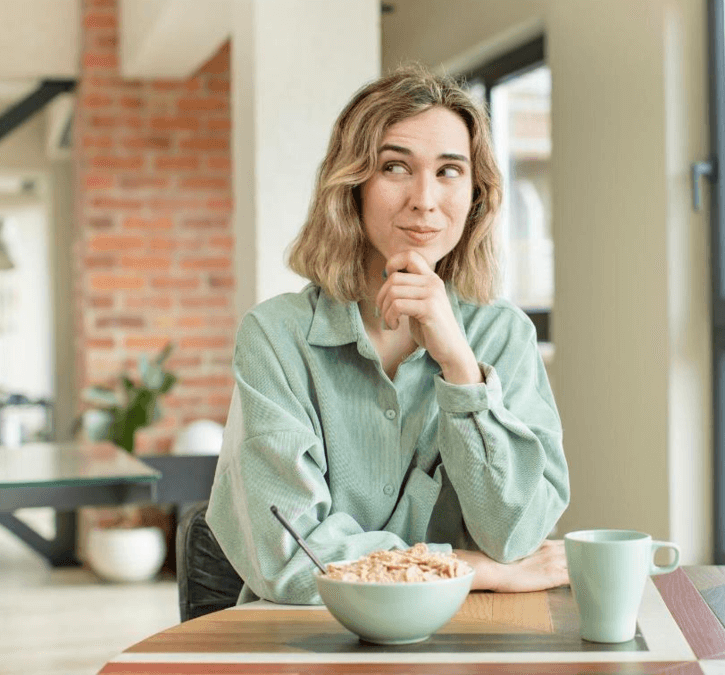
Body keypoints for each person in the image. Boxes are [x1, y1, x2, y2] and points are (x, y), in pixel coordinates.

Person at [205, 65, 570, 605]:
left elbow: (517, 535)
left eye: (449, 171)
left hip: (468, 643)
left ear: (475, 195)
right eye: (396, 167)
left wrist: (462, 371)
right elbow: (289, 558)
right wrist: (464, 566)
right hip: (307, 640)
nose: (425, 199)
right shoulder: (275, 337)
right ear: (352, 183)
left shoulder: (503, 335)